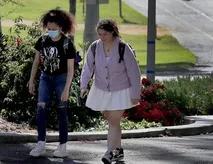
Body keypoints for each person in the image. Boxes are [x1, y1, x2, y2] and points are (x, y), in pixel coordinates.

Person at [80, 19, 141, 164]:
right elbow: (87, 68)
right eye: (99, 34)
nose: (102, 37)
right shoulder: (95, 47)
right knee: (113, 122)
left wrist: (135, 94)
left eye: (105, 34)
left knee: (113, 122)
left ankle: (109, 152)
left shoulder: (123, 48)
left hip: (121, 90)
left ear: (112, 32)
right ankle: (118, 150)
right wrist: (84, 85)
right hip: (101, 89)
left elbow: (134, 72)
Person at [28, 9, 77, 158]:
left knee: (62, 110)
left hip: (61, 79)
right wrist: (31, 80)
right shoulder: (43, 40)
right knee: (41, 109)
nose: (51, 32)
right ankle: (41, 144)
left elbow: (70, 69)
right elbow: (36, 62)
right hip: (45, 78)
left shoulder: (67, 44)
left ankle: (62, 146)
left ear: (61, 28)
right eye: (49, 29)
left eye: (54, 29)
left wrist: (67, 89)